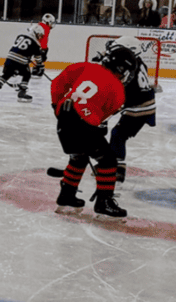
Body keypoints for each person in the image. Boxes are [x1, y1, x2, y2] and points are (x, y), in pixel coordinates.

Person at [50, 55, 127, 217]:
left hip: (64, 117)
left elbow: (57, 83)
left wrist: (57, 106)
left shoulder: (86, 67)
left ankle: (66, 195)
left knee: (79, 156)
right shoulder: (118, 88)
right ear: (120, 70)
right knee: (108, 160)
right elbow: (104, 117)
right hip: (84, 124)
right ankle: (103, 202)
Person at [90, 35, 156, 185]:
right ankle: (113, 165)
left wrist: (103, 118)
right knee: (118, 134)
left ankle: (117, 169)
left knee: (118, 134)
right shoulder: (135, 62)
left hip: (139, 107)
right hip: (139, 104)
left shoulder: (127, 67)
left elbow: (120, 95)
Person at [0, 20, 50, 102]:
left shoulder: (20, 36)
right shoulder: (36, 44)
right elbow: (38, 58)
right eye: (40, 35)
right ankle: (22, 92)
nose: (40, 37)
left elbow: (20, 49)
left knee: (7, 74)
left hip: (9, 59)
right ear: (36, 33)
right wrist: (40, 66)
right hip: (20, 62)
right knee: (27, 74)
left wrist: (27, 55)